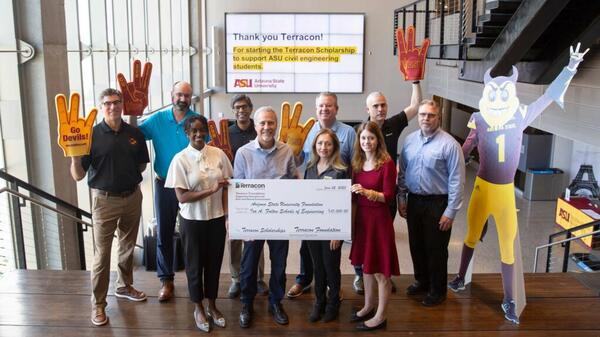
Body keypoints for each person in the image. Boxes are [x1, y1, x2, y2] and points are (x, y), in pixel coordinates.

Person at [70, 88, 149, 326]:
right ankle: (98, 305)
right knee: (102, 255)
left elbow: (142, 165)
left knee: (126, 246)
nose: (112, 107)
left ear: (122, 104)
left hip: (133, 197)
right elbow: (77, 175)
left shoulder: (134, 133)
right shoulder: (90, 135)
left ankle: (124, 286)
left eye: (116, 102)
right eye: (107, 103)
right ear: (101, 107)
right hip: (104, 201)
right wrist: (74, 157)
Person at [164, 115, 232, 332]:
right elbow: (182, 197)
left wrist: (227, 215)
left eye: (202, 130)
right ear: (187, 133)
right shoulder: (180, 159)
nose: (199, 134)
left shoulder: (218, 154)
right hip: (192, 221)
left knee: (214, 264)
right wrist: (211, 190)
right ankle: (198, 307)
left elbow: (228, 185)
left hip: (216, 219)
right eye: (194, 130)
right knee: (194, 266)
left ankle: (212, 304)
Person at [288, 92, 357, 298]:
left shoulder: (348, 133)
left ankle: (330, 286)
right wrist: (293, 148)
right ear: (316, 109)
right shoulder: (308, 131)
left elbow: (354, 166)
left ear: (336, 108)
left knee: (330, 252)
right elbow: (302, 161)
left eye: (329, 106)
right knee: (307, 248)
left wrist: (350, 201)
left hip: (336, 201)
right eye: (321, 106)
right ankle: (304, 279)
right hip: (312, 203)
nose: (324, 109)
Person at [397, 99, 465, 307]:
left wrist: (450, 212)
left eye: (431, 115)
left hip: (438, 203)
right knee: (416, 245)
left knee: (436, 249)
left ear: (439, 117)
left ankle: (438, 290)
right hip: (414, 201)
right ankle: (422, 281)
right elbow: (403, 172)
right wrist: (401, 197)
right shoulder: (409, 141)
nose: (426, 118)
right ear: (418, 117)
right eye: (422, 115)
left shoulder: (449, 145)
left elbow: (457, 180)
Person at [234, 106, 297, 328]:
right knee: (249, 265)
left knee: (279, 263)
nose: (267, 127)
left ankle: (276, 302)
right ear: (256, 125)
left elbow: (294, 181)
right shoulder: (243, 153)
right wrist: (242, 224)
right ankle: (246, 303)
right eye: (262, 123)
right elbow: (238, 191)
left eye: (271, 122)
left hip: (280, 218)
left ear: (276, 124)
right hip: (253, 220)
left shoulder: (287, 151)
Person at [139, 81, 199, 302]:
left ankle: (194, 280)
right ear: (171, 94)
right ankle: (166, 280)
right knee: (164, 232)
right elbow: (133, 135)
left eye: (187, 95)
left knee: (191, 234)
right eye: (179, 94)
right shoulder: (157, 120)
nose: (183, 99)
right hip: (164, 183)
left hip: (191, 186)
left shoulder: (196, 121)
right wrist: (132, 112)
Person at [363, 83, 422, 293]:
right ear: (367, 109)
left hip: (387, 196)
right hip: (365, 198)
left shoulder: (393, 124)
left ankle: (384, 276)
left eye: (383, 105)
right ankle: (362, 276)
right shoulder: (360, 132)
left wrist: (415, 80)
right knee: (364, 238)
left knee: (384, 238)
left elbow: (415, 105)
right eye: (376, 106)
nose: (380, 109)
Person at [349, 121, 399, 331]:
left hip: (378, 221)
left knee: (380, 272)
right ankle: (369, 305)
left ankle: (381, 316)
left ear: (378, 139)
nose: (367, 142)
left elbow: (388, 196)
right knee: (366, 268)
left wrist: (367, 192)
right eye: (363, 138)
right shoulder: (358, 163)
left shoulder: (386, 163)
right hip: (362, 220)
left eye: (370, 138)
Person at [304, 129, 349, 323]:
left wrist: (338, 233)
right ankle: (319, 302)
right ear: (315, 146)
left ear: (335, 147)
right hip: (313, 227)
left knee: (331, 267)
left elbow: (344, 204)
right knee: (318, 267)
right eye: (320, 143)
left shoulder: (340, 170)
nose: (324, 147)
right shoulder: (310, 167)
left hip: (331, 230)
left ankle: (333, 304)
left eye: (328, 144)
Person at [227, 94, 268, 299]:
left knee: (255, 237)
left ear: (251, 109)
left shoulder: (259, 129)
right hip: (234, 192)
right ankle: (236, 279)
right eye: (237, 107)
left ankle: (258, 279)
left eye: (244, 107)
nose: (240, 110)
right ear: (233, 110)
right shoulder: (226, 134)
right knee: (235, 237)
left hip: (256, 193)